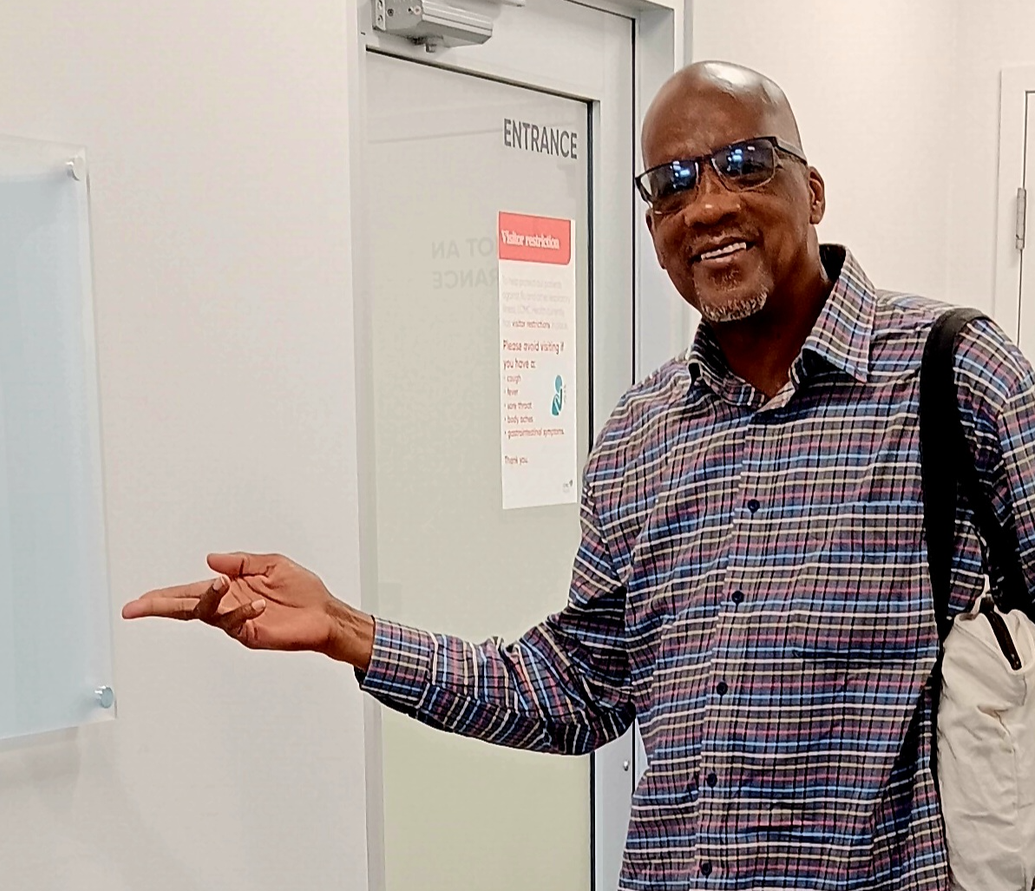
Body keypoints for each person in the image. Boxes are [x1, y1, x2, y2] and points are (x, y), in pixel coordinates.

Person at [122, 61, 1035, 889]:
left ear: (815, 190)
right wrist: (348, 631)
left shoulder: (956, 377)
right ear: (654, 226)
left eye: (743, 164)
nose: (707, 206)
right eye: (672, 184)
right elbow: (578, 690)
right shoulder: (640, 434)